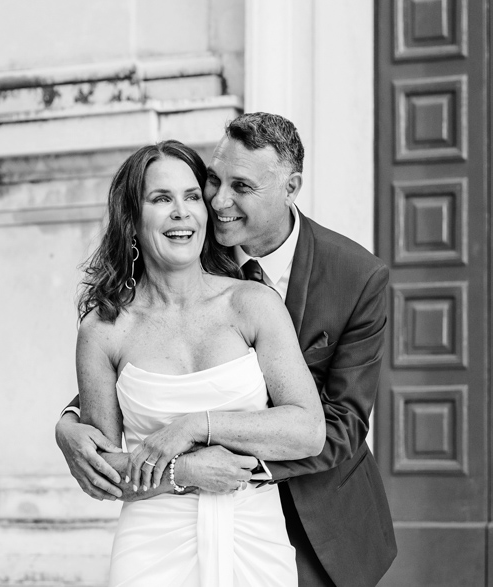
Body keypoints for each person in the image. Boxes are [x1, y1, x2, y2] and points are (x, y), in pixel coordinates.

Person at [58, 113, 397, 587]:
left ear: (290, 188)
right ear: (133, 221)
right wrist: (71, 423)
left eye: (240, 187)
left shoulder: (354, 279)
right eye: (212, 182)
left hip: (313, 518)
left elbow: (336, 425)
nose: (216, 203)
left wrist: (209, 442)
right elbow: (137, 382)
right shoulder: (168, 272)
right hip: (159, 539)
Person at [75, 139, 326, 586]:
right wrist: (184, 472)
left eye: (192, 197)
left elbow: (307, 430)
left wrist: (196, 425)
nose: (181, 211)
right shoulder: (105, 329)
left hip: (253, 538)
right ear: (132, 220)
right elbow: (103, 471)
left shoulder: (252, 304)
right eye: (161, 199)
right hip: (153, 548)